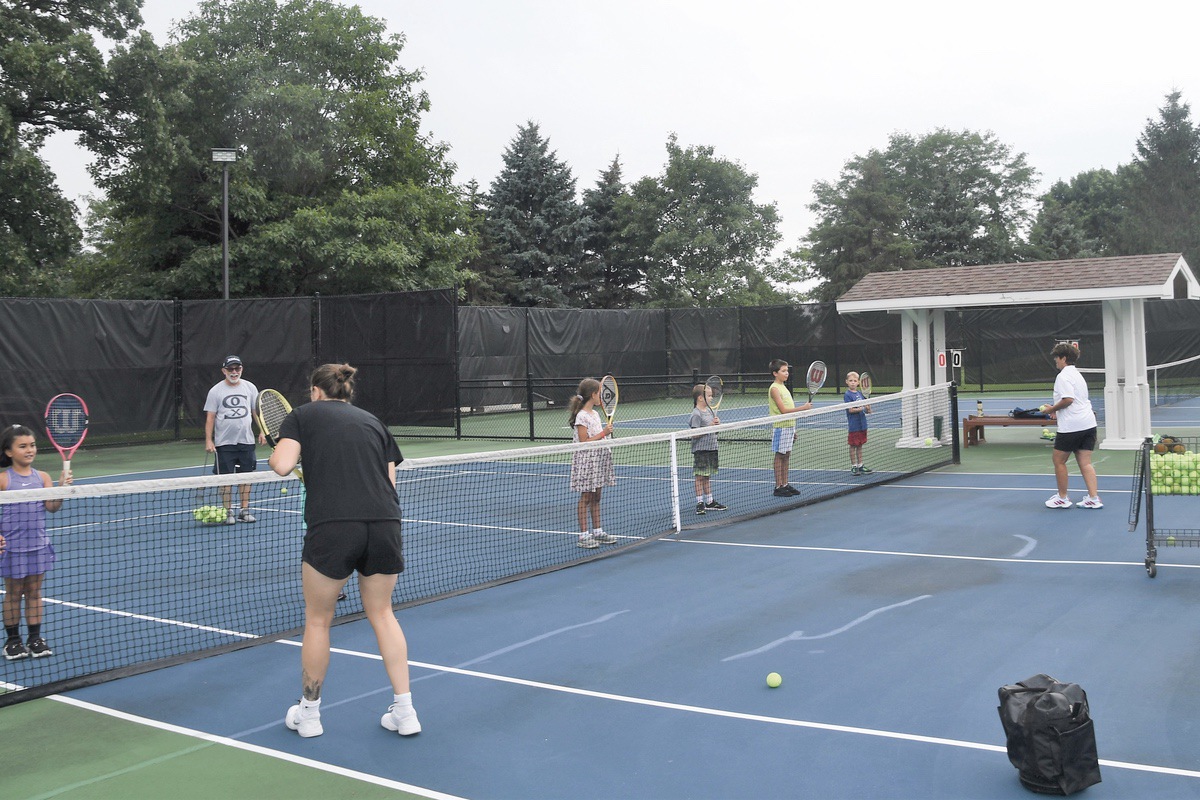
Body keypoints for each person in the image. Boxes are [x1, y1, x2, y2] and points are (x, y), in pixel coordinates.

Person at [268, 363, 420, 739]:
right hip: (385, 522)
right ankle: (406, 712)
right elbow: (389, 483)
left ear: (316, 391)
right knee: (383, 614)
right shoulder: (373, 421)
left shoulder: (301, 416)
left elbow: (282, 465)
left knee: (318, 620)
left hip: (334, 526)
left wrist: (280, 446)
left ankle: (310, 715)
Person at [1, 424, 71, 660]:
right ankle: (12, 641)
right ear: (9, 452)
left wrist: (61, 488)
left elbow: (52, 507)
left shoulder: (42, 477)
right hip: (11, 548)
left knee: (34, 592)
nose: (29, 450)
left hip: (38, 545)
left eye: (32, 445)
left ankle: (35, 639)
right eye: (22, 446)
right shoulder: (3, 479)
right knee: (13, 593)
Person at [204, 355, 265, 525]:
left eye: (237, 368)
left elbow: (255, 412)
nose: (234, 372)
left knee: (245, 477)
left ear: (241, 369)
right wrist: (209, 440)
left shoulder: (250, 387)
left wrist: (262, 431)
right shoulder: (215, 391)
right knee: (226, 479)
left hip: (246, 441)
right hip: (224, 443)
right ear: (224, 371)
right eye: (230, 369)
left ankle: (244, 511)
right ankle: (228, 511)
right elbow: (210, 417)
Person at [1042, 343, 1102, 509]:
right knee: (1085, 462)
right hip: (1088, 424)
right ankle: (1093, 498)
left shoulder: (1063, 376)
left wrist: (1051, 409)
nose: (1055, 361)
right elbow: (1073, 400)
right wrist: (1056, 411)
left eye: (1057, 358)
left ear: (1064, 358)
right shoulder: (1077, 375)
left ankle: (1062, 498)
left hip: (1072, 427)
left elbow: (1068, 399)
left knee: (1058, 461)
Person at [568, 378, 616, 549]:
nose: (601, 398)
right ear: (593, 395)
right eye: (599, 394)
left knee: (597, 496)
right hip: (586, 461)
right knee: (586, 497)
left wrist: (606, 434)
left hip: (599, 460)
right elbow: (584, 441)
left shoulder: (595, 414)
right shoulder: (582, 416)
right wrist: (604, 432)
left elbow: (599, 436)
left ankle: (598, 531)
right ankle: (583, 535)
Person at [768, 359, 812, 496]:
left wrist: (793, 429)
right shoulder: (774, 388)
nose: (786, 373)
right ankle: (778, 486)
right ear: (775, 373)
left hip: (789, 426)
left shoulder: (783, 387)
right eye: (783, 371)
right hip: (780, 427)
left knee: (786, 455)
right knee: (780, 455)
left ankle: (785, 484)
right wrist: (803, 408)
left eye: (787, 371)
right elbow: (783, 410)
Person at [689, 383, 727, 515]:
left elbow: (714, 432)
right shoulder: (696, 414)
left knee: (707, 476)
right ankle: (700, 502)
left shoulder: (710, 411)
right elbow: (694, 434)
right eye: (709, 396)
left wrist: (716, 425)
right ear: (700, 398)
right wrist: (709, 427)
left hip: (712, 447)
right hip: (701, 450)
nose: (712, 398)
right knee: (700, 477)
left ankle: (710, 501)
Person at [844, 371, 872, 476]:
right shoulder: (847, 395)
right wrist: (862, 408)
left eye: (855, 381)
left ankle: (860, 465)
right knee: (853, 446)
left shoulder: (861, 394)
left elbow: (867, 410)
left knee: (860, 445)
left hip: (862, 424)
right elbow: (850, 410)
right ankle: (854, 466)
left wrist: (868, 408)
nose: (852, 383)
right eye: (850, 381)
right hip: (854, 425)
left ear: (858, 382)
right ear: (846, 382)